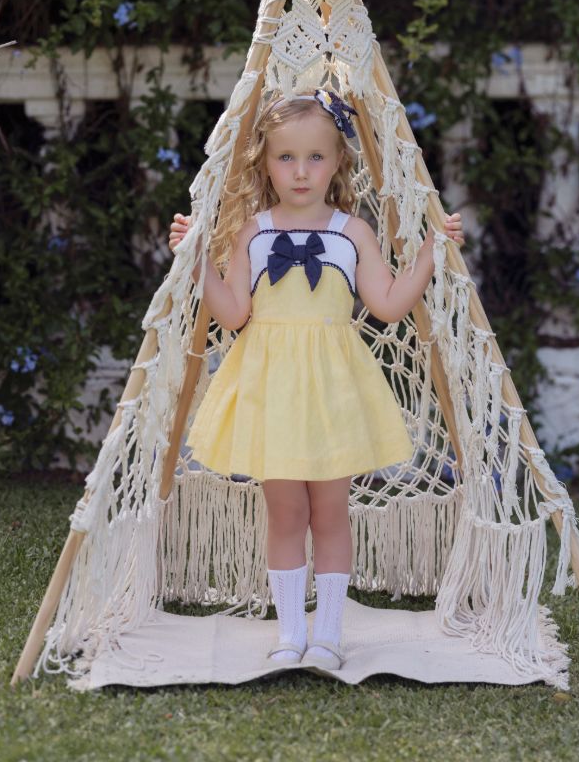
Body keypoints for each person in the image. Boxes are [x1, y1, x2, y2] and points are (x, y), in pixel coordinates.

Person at [167, 89, 464, 672]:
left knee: (330, 512)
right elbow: (233, 313)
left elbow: (388, 305)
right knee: (285, 513)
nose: (300, 172)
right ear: (264, 163)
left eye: (315, 158)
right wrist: (196, 258)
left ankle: (328, 635)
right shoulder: (251, 232)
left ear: (337, 162)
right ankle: (290, 633)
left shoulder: (352, 232)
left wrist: (431, 254)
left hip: (332, 390)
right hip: (271, 390)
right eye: (286, 158)